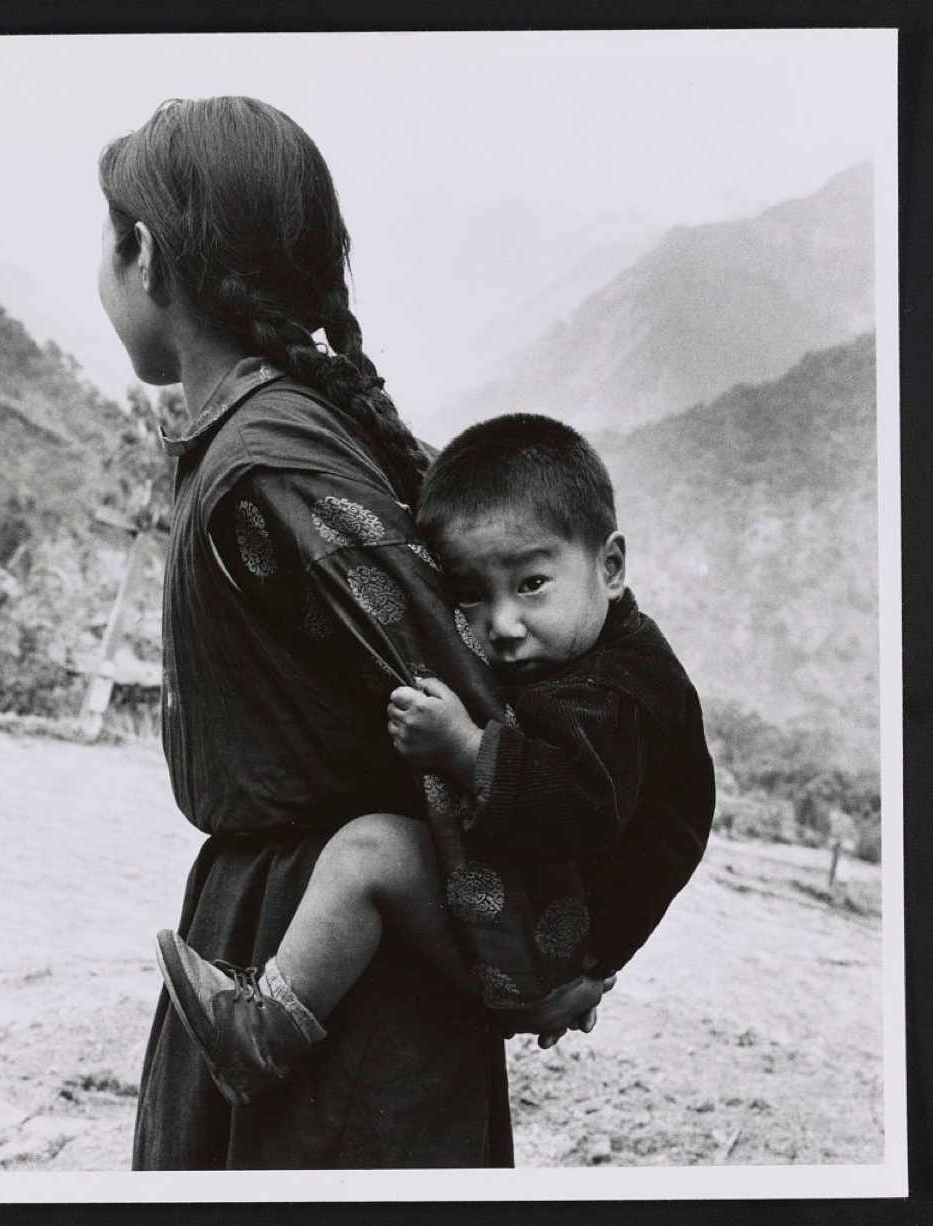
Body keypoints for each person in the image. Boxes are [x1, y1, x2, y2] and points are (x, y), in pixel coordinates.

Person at [97, 96, 612, 1171]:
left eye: (108, 236)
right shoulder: (258, 439)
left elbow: (465, 681)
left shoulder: (270, 459)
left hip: (338, 977)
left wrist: (532, 943)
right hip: (280, 926)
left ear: (144, 252)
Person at [156, 414, 716, 1109]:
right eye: (472, 597)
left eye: (532, 583)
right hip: (560, 935)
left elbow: (579, 806)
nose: (503, 625)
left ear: (611, 565)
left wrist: (463, 746)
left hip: (554, 942)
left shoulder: (619, 692)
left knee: (369, 855)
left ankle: (262, 1036)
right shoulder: (580, 650)